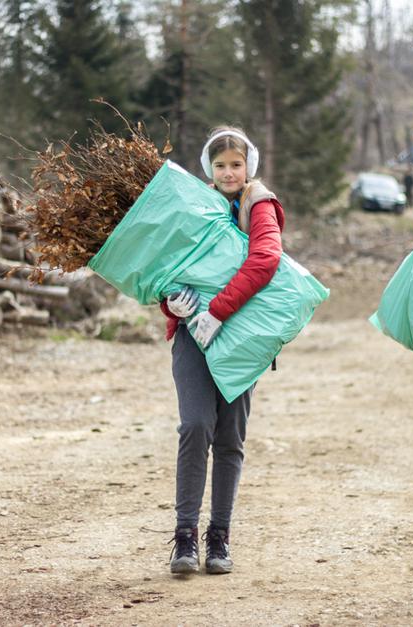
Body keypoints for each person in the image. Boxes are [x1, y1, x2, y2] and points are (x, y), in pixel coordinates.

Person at [159, 127, 284, 575]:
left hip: (241, 334)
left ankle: (219, 539)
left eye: (236, 164)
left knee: (229, 438)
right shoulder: (196, 204)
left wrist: (221, 308)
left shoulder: (259, 204)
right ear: (207, 170)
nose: (229, 173)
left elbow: (266, 259)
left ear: (249, 164)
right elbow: (167, 262)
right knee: (195, 426)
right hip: (194, 333)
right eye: (220, 165)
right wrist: (169, 300)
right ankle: (185, 538)